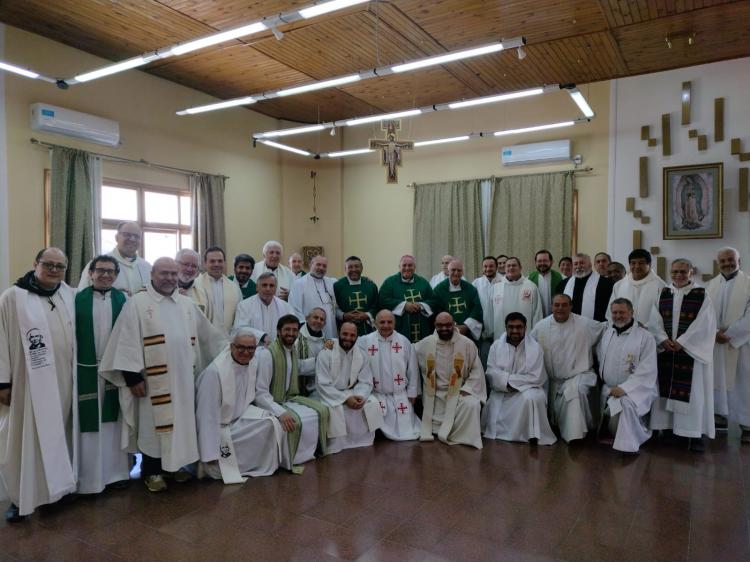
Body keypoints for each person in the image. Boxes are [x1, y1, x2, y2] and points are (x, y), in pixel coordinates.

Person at [100, 257, 225, 492]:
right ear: (152, 276)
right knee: (153, 426)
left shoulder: (186, 304)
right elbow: (126, 341)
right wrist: (132, 377)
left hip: (183, 380)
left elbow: (208, 336)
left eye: (172, 274)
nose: (169, 278)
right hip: (152, 381)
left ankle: (175, 467)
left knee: (181, 424)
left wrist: (232, 346)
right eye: (164, 274)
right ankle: (152, 471)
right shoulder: (137, 303)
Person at [0, 248, 77, 521]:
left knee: (59, 435)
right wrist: (2, 382)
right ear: (35, 264)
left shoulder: (68, 293)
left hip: (63, 382)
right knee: (23, 440)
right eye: (49, 264)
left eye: (60, 266)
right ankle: (20, 498)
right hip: (27, 384)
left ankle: (54, 492)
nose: (54, 270)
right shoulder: (13, 297)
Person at [195, 329, 283, 483]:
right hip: (218, 426)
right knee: (214, 466)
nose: (246, 352)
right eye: (241, 347)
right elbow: (206, 416)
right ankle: (216, 464)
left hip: (238, 417)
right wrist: (208, 454)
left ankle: (253, 465)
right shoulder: (215, 373)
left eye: (251, 348)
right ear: (231, 347)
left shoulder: (252, 362)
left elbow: (248, 396)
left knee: (271, 423)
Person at [75, 255, 131, 494]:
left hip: (114, 370)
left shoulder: (125, 300)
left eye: (110, 271)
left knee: (114, 424)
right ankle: (86, 479)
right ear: (90, 273)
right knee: (87, 427)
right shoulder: (76, 300)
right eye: (100, 270)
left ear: (116, 276)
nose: (105, 275)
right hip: (84, 370)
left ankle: (116, 474)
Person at [648, 259, 716, 451]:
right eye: (675, 272)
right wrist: (662, 339)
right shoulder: (663, 292)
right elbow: (654, 319)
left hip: (690, 354)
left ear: (691, 272)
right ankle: (668, 430)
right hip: (667, 352)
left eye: (683, 272)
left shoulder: (701, 294)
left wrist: (683, 342)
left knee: (694, 394)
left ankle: (693, 435)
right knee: (664, 392)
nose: (678, 275)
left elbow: (705, 324)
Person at [254, 315, 329, 470]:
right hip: (272, 402)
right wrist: (280, 412)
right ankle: (291, 458)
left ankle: (310, 453)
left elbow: (299, 367)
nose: (291, 333)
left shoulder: (291, 350)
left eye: (295, 330)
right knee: (296, 420)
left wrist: (324, 355)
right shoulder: (268, 354)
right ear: (278, 331)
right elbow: (260, 392)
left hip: (289, 397)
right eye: (287, 329)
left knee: (322, 410)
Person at [530, 294, 605, 443]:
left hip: (579, 374)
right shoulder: (541, 326)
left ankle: (575, 436)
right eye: (557, 305)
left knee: (574, 392)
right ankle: (561, 428)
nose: (560, 308)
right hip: (553, 380)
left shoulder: (584, 324)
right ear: (551, 307)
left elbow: (606, 328)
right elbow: (529, 348)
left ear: (571, 306)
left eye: (564, 305)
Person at [483, 312, 557, 445]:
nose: (515, 330)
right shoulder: (496, 346)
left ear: (525, 328)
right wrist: (507, 384)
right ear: (506, 328)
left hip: (527, 389)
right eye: (511, 327)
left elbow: (536, 376)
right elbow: (491, 372)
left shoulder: (535, 348)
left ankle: (531, 435)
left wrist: (508, 381)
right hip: (502, 391)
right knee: (498, 402)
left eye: (519, 327)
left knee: (533, 398)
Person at [415, 312, 486, 448]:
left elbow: (477, 371)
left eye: (448, 325)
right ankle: (439, 429)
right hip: (434, 394)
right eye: (440, 325)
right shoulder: (426, 343)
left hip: (459, 392)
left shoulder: (467, 344)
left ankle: (462, 436)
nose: (444, 328)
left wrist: (467, 389)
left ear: (453, 324)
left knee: (472, 405)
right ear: (435, 325)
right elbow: (407, 353)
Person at [597, 298, 658, 454]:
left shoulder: (645, 337)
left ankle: (629, 442)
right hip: (610, 388)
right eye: (615, 312)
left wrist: (625, 388)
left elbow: (647, 370)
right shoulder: (608, 332)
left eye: (622, 312)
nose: (618, 316)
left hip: (637, 389)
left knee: (624, 404)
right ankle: (613, 434)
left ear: (631, 313)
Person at [316, 322, 383, 454]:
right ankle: (336, 445)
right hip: (328, 393)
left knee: (372, 402)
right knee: (335, 408)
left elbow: (366, 381)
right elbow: (322, 384)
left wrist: (359, 396)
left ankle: (364, 441)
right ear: (338, 334)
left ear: (357, 337)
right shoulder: (326, 353)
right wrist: (345, 399)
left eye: (352, 335)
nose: (348, 338)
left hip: (352, 391)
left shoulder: (362, 354)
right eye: (345, 334)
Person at [708, 247, 750, 441]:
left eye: (731, 260)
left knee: (743, 383)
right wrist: (715, 332)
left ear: (739, 261)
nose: (727, 264)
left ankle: (747, 424)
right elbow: (704, 314)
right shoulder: (710, 286)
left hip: (741, 344)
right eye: (723, 261)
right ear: (718, 264)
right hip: (716, 342)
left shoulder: (748, 284)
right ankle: (719, 417)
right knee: (717, 381)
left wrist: (731, 334)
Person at [358, 310, 421, 441]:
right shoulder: (364, 341)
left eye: (389, 322)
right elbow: (345, 345)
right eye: (382, 322)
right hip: (376, 393)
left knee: (408, 428)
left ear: (395, 323)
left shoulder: (404, 342)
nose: (386, 325)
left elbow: (412, 369)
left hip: (400, 394)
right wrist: (330, 344)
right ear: (375, 323)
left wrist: (413, 392)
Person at [78, 221, 151, 296]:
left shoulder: (147, 267)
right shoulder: (98, 264)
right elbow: (82, 295)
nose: (132, 239)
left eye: (136, 236)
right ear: (116, 238)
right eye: (127, 235)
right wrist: (110, 296)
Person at [379, 255, 436, 343]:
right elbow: (382, 300)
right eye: (404, 265)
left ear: (415, 267)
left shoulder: (423, 282)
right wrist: (404, 305)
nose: (407, 268)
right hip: (399, 327)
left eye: (410, 265)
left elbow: (434, 301)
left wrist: (421, 305)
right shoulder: (390, 282)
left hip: (422, 328)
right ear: (399, 267)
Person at [193, 246, 243, 334]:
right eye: (212, 261)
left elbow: (240, 315)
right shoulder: (195, 285)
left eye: (220, 261)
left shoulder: (234, 287)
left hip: (228, 337)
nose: (216, 264)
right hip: (203, 338)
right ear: (204, 263)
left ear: (224, 263)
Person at [490, 256, 542, 339]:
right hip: (501, 334)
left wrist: (536, 334)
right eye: (508, 266)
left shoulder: (531, 287)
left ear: (520, 268)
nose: (511, 268)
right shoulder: (496, 287)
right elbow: (490, 312)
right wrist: (490, 332)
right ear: (505, 269)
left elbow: (537, 312)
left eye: (514, 265)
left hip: (526, 336)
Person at [233, 273, 294, 343]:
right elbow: (240, 328)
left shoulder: (286, 307)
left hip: (278, 350)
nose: (268, 289)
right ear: (257, 287)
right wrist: (262, 336)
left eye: (271, 286)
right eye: (264, 285)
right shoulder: (244, 305)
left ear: (275, 288)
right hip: (253, 350)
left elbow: (292, 328)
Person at [289, 255, 337, 339]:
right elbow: (294, 309)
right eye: (318, 264)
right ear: (311, 264)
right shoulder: (299, 284)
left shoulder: (331, 283)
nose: (321, 268)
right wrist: (307, 330)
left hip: (330, 329)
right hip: (310, 333)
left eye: (324, 266)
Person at [433, 259, 483, 340]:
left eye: (459, 270)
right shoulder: (439, 289)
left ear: (462, 272)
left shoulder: (470, 289)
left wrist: (466, 326)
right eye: (453, 270)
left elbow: (477, 310)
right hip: (446, 331)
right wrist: (450, 326)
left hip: (467, 332)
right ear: (448, 271)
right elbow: (436, 310)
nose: (456, 273)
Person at [334, 256, 378, 336]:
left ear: (361, 268)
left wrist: (367, 315)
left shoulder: (371, 285)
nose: (354, 269)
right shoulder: (337, 286)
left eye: (356, 266)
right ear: (345, 269)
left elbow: (377, 306)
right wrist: (344, 315)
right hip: (345, 330)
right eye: (350, 267)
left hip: (367, 329)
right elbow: (333, 308)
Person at [561, 253, 613, 322]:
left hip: (596, 326)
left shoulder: (606, 283)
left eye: (582, 263)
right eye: (575, 264)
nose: (578, 266)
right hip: (569, 326)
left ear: (590, 265)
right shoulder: (563, 284)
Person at [296, 307, 332, 394]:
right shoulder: (296, 337)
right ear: (307, 318)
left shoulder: (325, 341)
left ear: (324, 324)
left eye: (322, 319)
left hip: (318, 388)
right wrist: (318, 362)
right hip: (297, 388)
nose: (319, 321)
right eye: (315, 317)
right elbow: (293, 365)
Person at [473, 256, 500, 366]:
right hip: (483, 334)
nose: (488, 269)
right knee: (485, 363)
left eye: (491, 266)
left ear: (496, 267)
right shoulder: (476, 284)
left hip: (501, 332)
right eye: (485, 266)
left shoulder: (503, 282)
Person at [528, 249, 564, 317]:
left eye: (545, 261)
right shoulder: (529, 278)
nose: (542, 263)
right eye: (539, 261)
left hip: (555, 316)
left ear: (551, 262)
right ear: (535, 262)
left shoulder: (561, 278)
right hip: (536, 316)